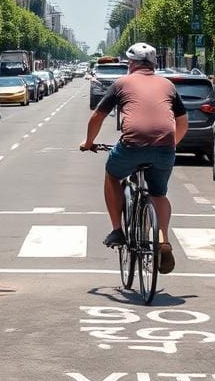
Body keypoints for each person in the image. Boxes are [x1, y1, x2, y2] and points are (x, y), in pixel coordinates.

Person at [79, 42, 188, 275]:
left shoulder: (122, 84)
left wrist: (88, 143)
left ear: (131, 64)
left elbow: (98, 116)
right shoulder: (168, 85)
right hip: (165, 148)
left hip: (132, 145)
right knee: (159, 193)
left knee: (112, 175)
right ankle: (163, 239)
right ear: (154, 64)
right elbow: (182, 123)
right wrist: (169, 145)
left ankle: (117, 229)